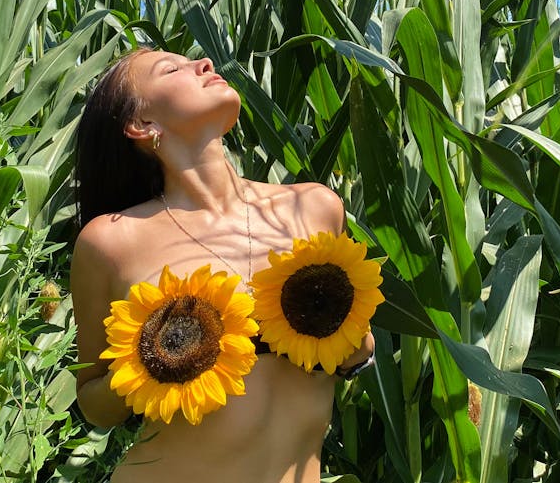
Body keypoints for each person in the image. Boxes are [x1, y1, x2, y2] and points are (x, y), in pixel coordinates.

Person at [71, 48, 375, 483]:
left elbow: (354, 351)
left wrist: (351, 345)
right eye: (172, 69)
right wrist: (149, 362)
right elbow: (93, 402)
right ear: (142, 125)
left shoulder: (314, 207)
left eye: (197, 61)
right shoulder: (111, 241)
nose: (205, 65)